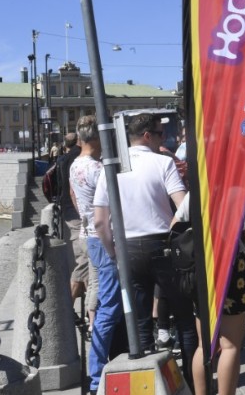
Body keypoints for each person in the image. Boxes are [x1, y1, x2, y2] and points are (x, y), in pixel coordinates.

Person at [90, 114, 197, 390]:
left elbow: (100, 220)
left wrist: (113, 252)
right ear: (148, 136)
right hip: (163, 245)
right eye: (161, 134)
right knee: (184, 317)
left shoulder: (109, 168)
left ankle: (150, 383)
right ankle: (193, 383)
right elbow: (183, 207)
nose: (164, 139)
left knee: (139, 323)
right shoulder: (163, 163)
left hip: (128, 248)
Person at [175, 188, 245, 395]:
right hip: (231, 270)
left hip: (201, 270)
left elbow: (174, 225)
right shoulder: (237, 190)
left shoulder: (196, 189)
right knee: (229, 346)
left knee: (204, 346)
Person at [68, 116, 102, 342]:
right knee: (100, 283)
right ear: (97, 137)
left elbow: (73, 195)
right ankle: (96, 326)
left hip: (85, 231)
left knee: (92, 281)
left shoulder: (75, 164)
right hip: (100, 234)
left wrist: (83, 215)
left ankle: (92, 324)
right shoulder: (97, 168)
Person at [55, 133, 86, 302]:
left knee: (83, 258)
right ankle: (68, 303)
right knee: (84, 259)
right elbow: (73, 191)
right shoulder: (79, 157)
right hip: (76, 212)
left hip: (67, 210)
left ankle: (88, 306)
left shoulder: (63, 159)